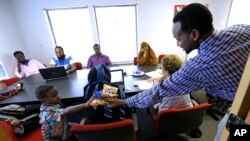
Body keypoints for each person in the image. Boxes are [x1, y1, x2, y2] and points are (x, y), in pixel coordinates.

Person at [106, 3, 250, 141]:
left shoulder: (200, 66)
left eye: (178, 38)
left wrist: (124, 101)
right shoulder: (240, 29)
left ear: (194, 34)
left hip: (244, 110)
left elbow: (159, 91)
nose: (177, 43)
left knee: (224, 135)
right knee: (222, 128)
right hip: (240, 102)